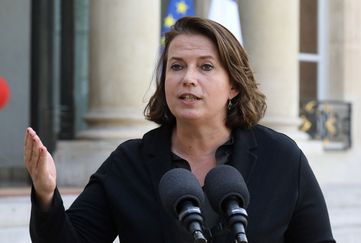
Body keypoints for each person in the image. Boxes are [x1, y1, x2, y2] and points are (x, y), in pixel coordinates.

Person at [24, 16, 336, 243]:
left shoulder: (281, 158)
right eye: (176, 66)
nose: (188, 78)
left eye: (206, 66)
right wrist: (47, 193)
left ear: (234, 86)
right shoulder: (129, 163)